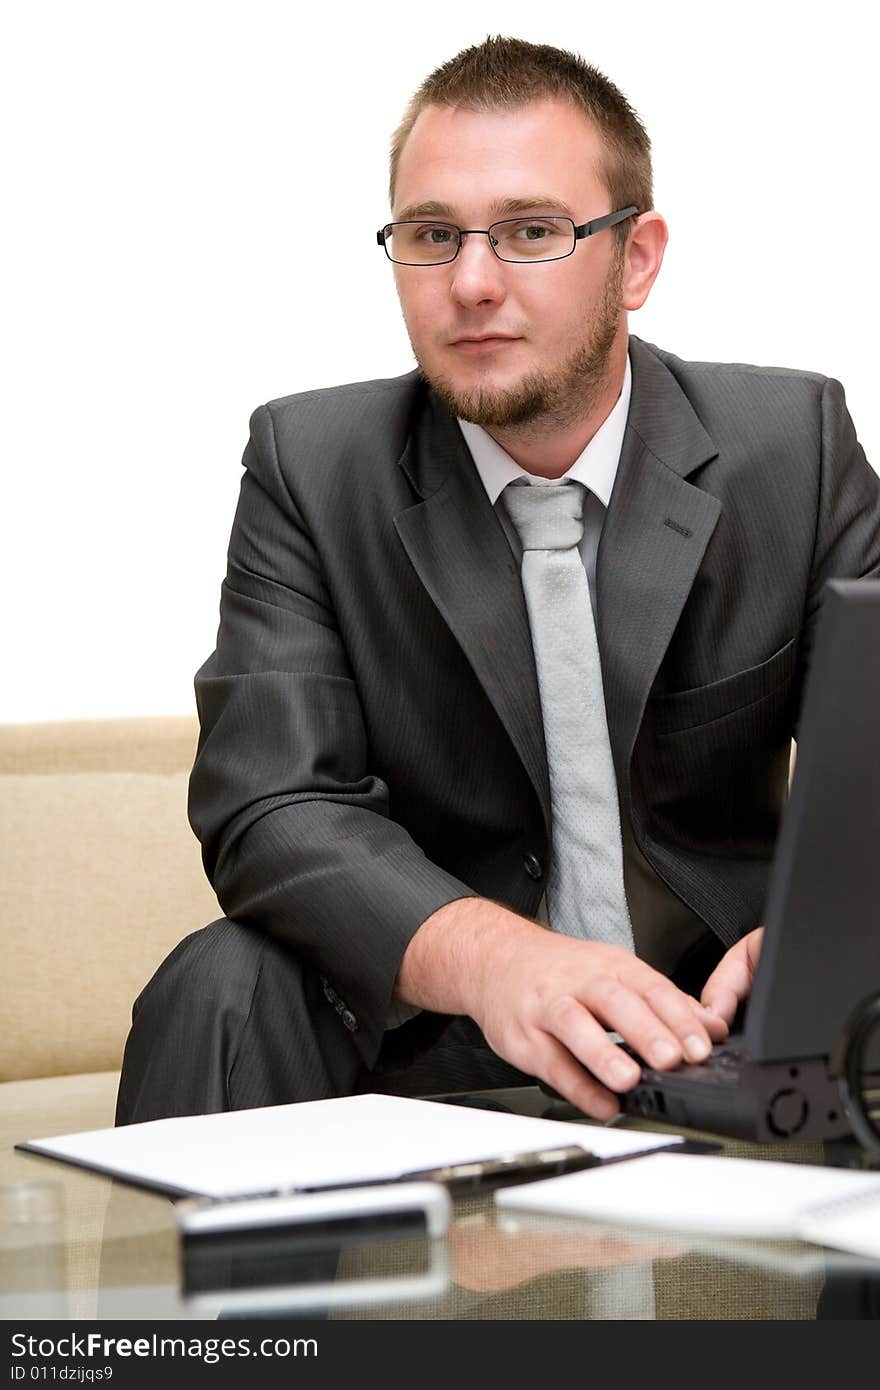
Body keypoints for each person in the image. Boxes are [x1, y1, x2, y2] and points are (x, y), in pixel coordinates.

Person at [115, 36, 880, 1127]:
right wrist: (495, 962)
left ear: (638, 257)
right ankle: (201, 1312)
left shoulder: (791, 447)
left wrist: (823, 936)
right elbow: (272, 806)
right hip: (442, 1030)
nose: (471, 284)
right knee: (219, 981)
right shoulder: (310, 465)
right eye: (432, 236)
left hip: (721, 1016)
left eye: (531, 231)